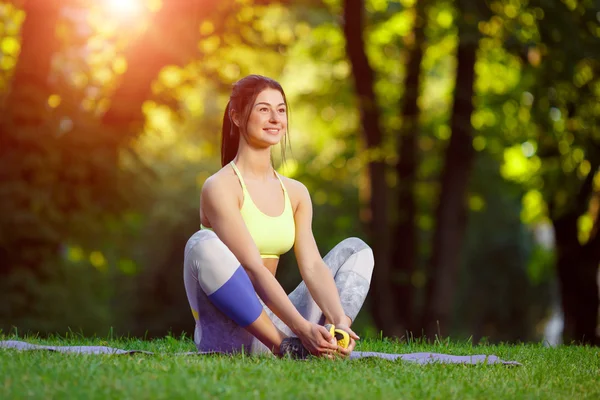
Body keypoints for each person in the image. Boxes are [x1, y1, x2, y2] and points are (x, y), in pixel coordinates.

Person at [183, 74, 374, 358]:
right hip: (231, 334)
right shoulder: (220, 186)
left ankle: (327, 341)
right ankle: (286, 346)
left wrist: (338, 320)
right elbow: (253, 269)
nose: (275, 118)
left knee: (357, 250)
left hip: (280, 323)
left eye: (281, 109)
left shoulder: (295, 192)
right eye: (263, 109)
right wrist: (299, 326)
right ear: (236, 117)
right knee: (201, 243)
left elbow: (312, 266)